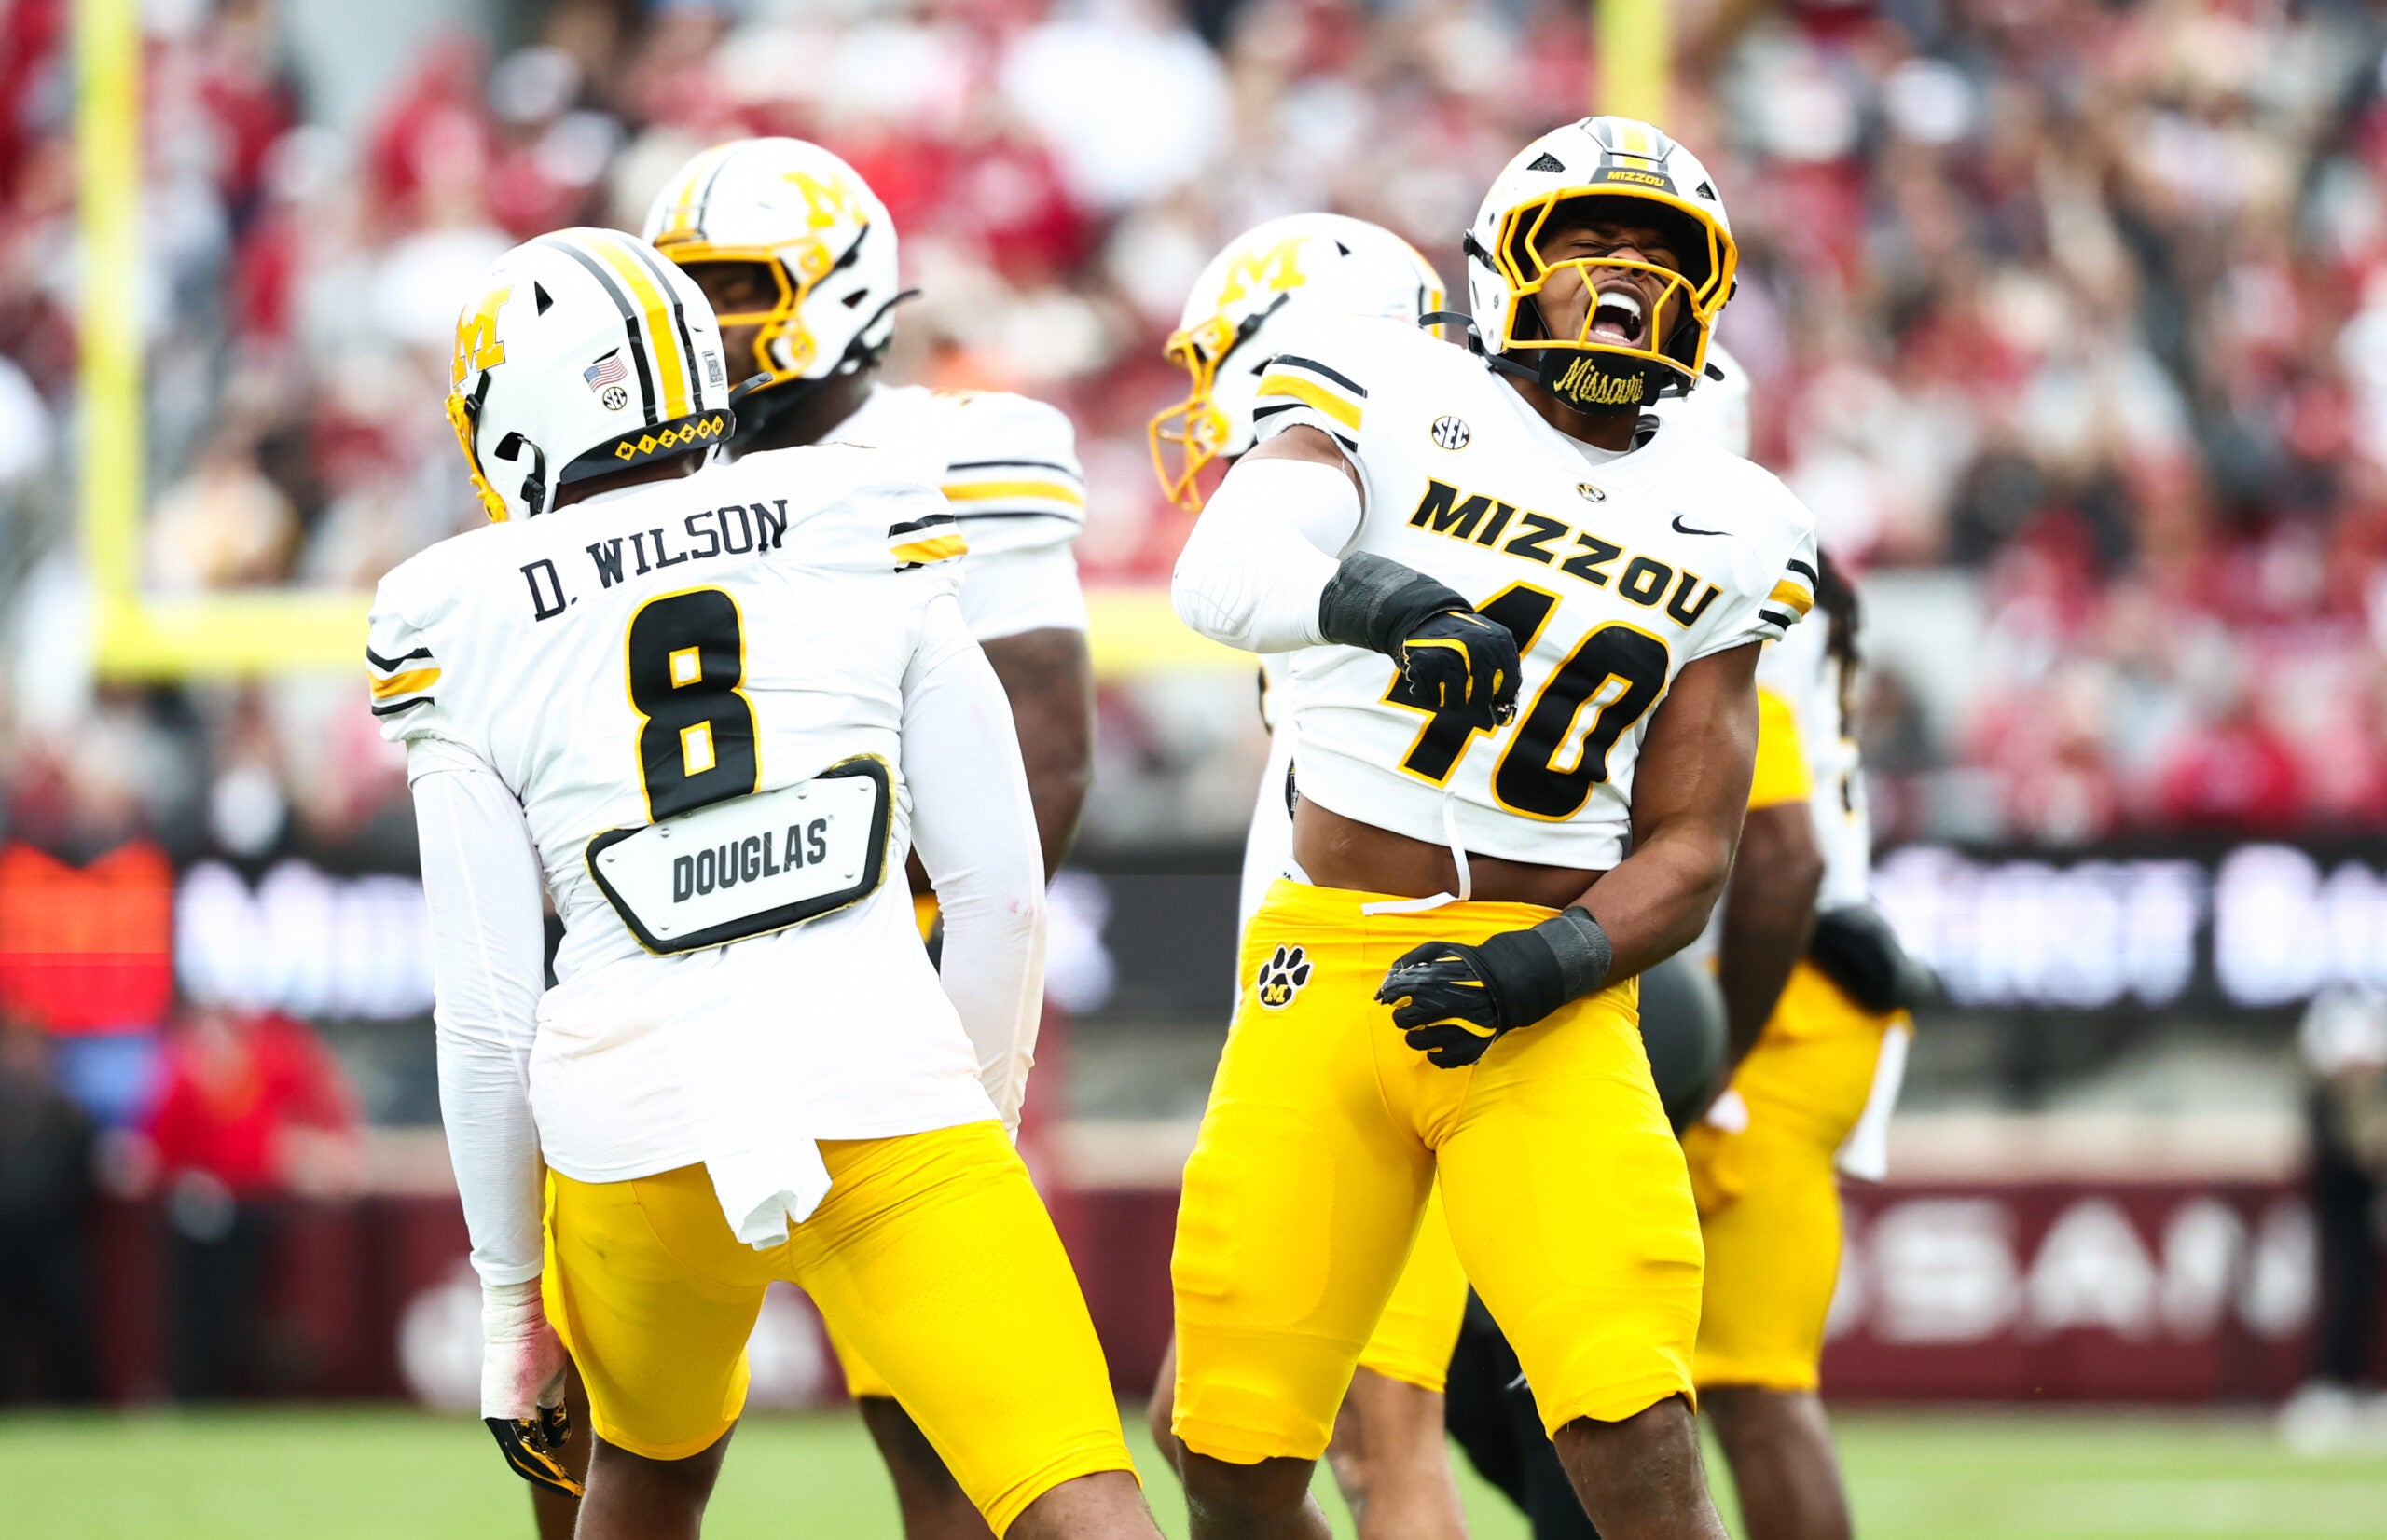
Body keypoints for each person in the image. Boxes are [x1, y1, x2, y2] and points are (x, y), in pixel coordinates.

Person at [384, 226, 1158, 1540]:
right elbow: (1003, 894)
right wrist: (968, 1120)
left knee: (639, 1485)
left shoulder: (456, 606)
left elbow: (486, 1015)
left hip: (630, 1121)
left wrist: (512, 1306)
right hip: (882, 1080)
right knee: (1076, 1498)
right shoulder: (866, 508)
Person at [1166, 117, 1815, 1540]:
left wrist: (1551, 968)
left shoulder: (1738, 519)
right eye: (1588, 242)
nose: (1626, 277)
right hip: (1326, 968)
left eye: (1661, 254)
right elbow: (1221, 571)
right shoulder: (1387, 385)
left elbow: (1695, 846)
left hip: (1551, 995)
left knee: (1632, 1419)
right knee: (1229, 1447)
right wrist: (1384, 603)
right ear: (1506, 263)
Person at [630, 140, 1098, 1540]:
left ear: (843, 292)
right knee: (623, 1423)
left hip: (885, 983)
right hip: (677, 988)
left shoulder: (952, 452)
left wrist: (907, 982)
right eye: (688, 293)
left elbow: (1047, 755)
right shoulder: (644, 475)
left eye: (739, 288)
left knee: (938, 1419)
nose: (709, 326)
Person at [1141, 212, 1474, 1540]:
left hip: (1393, 998)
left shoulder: (1371, 506)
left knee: (1382, 1441)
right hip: (1344, 998)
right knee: (1203, 1422)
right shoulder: (1409, 494)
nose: (1204, 403)